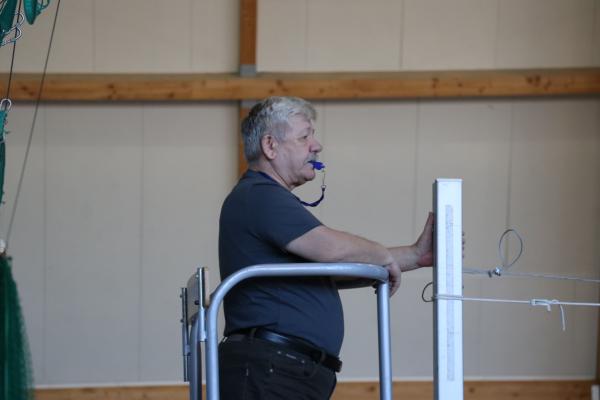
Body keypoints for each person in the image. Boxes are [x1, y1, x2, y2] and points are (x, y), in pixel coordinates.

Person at [218, 96, 433, 400]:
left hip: (282, 370)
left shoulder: (264, 198)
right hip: (271, 369)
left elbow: (332, 267)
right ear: (270, 145)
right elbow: (330, 249)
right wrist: (382, 254)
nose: (316, 146)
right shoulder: (260, 195)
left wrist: (415, 255)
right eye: (304, 136)